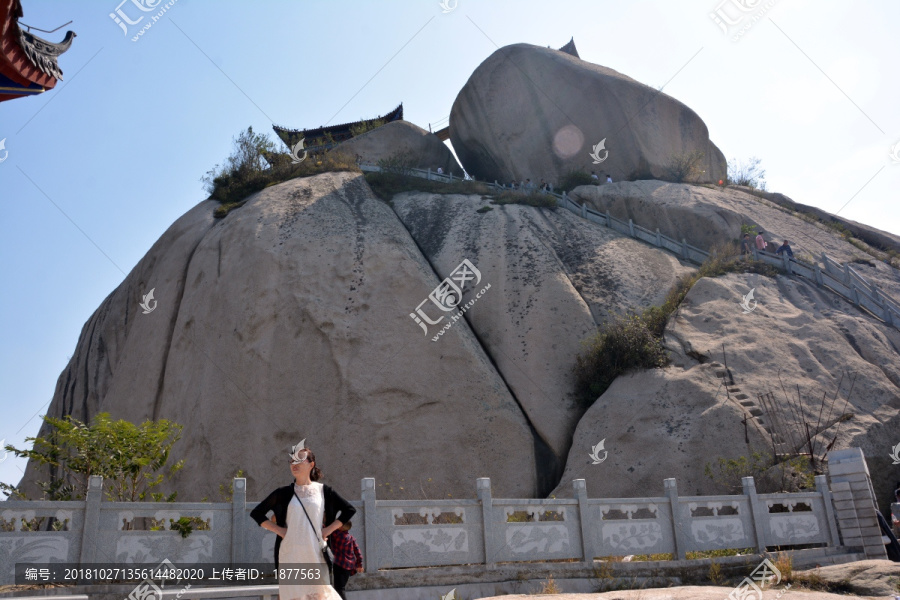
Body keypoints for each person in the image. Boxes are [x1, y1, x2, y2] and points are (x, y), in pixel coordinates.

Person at [250, 442, 356, 600]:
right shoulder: (283, 493)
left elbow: (349, 510)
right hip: (290, 554)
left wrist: (327, 530)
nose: (294, 464)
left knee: (321, 596)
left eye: (299, 460)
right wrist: (280, 531)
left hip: (315, 553)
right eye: (292, 461)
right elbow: (257, 513)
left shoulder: (323, 491)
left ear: (311, 464)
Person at [328, 521, 363, 600]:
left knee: (339, 589)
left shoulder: (336, 534)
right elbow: (358, 553)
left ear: (341, 527)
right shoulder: (351, 538)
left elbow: (326, 529)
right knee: (341, 587)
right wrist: (360, 565)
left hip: (339, 565)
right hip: (349, 567)